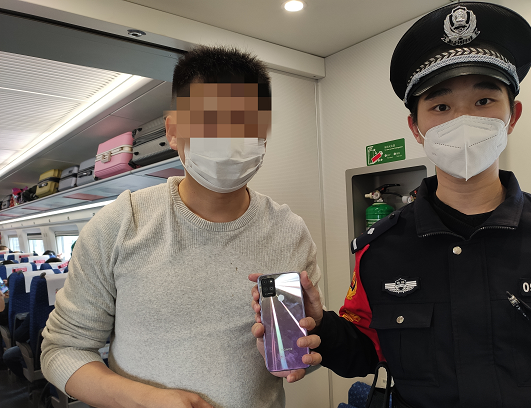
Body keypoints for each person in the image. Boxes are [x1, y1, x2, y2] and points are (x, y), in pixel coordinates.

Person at [251, 2, 531, 407]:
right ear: (416, 128)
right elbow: (366, 351)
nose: (463, 119)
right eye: (441, 107)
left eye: (484, 101)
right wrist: (320, 325)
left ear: (513, 115)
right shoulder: (380, 249)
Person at [41, 45, 321, 408]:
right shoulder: (120, 224)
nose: (229, 139)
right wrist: (144, 400)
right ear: (173, 131)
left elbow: (304, 361)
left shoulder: (290, 231)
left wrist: (307, 345)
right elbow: (62, 350)